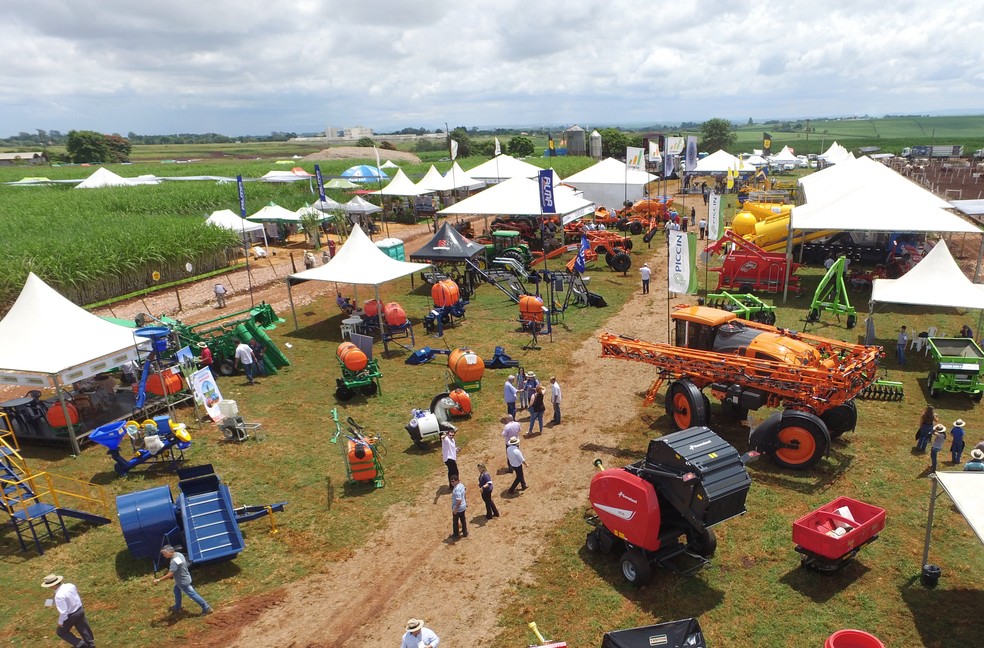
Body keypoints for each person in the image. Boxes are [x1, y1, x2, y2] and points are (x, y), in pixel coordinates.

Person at [154, 545, 212, 616]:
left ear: (170, 551)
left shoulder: (173, 561)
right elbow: (179, 567)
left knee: (193, 595)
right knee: (176, 590)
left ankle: (206, 608)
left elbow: (170, 575)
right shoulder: (179, 554)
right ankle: (178, 606)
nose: (164, 555)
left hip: (182, 582)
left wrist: (159, 580)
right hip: (185, 577)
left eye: (164, 553)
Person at [42, 574, 95, 648]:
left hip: (71, 615)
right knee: (83, 627)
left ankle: (81, 644)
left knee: (61, 632)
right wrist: (48, 602)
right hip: (80, 610)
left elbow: (63, 612)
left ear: (52, 585)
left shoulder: (59, 595)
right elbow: (68, 598)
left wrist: (60, 623)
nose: (48, 588)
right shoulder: (70, 585)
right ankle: (91, 644)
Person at [448, 474, 468, 538]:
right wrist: (465, 502)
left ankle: (456, 534)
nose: (451, 483)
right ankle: (465, 532)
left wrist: (455, 509)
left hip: (458, 508)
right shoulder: (461, 485)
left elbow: (459, 500)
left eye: (453, 481)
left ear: (457, 481)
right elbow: (464, 493)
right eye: (451, 481)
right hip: (463, 506)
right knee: (463, 520)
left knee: (455, 521)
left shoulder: (456, 490)